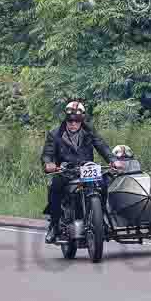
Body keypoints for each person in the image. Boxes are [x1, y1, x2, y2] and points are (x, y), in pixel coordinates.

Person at [41, 101, 124, 243]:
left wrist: (112, 160)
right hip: (66, 170)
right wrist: (49, 164)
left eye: (77, 121)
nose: (73, 123)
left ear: (82, 120)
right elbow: (47, 153)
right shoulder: (55, 134)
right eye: (70, 120)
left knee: (104, 184)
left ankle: (100, 218)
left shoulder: (89, 131)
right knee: (55, 188)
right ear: (66, 119)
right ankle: (54, 225)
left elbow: (101, 145)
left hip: (87, 169)